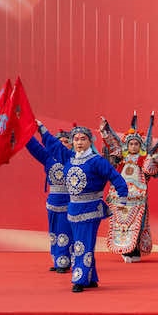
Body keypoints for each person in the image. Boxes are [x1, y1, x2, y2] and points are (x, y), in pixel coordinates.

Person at [38, 121, 129, 293]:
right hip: (73, 210)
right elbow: (54, 146)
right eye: (76, 139)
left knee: (82, 244)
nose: (79, 142)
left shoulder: (96, 161)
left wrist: (123, 197)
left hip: (90, 210)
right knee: (80, 244)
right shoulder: (69, 158)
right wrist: (40, 128)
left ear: (90, 141)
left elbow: (116, 177)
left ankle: (79, 279)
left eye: (83, 139)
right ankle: (91, 278)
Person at [99, 113, 158, 263]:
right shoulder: (122, 158)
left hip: (137, 198)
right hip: (120, 197)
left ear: (140, 146)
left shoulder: (145, 159)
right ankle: (125, 250)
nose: (133, 146)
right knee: (121, 224)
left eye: (136, 144)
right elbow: (111, 144)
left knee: (137, 223)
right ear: (127, 145)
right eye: (131, 144)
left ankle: (134, 250)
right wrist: (105, 130)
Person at [25, 129, 73, 273]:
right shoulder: (48, 158)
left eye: (66, 141)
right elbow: (34, 147)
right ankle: (58, 260)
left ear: (71, 144)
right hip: (52, 202)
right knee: (54, 233)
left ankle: (64, 262)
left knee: (65, 231)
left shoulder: (74, 159)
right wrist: (24, 134)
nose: (63, 144)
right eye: (60, 141)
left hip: (70, 202)